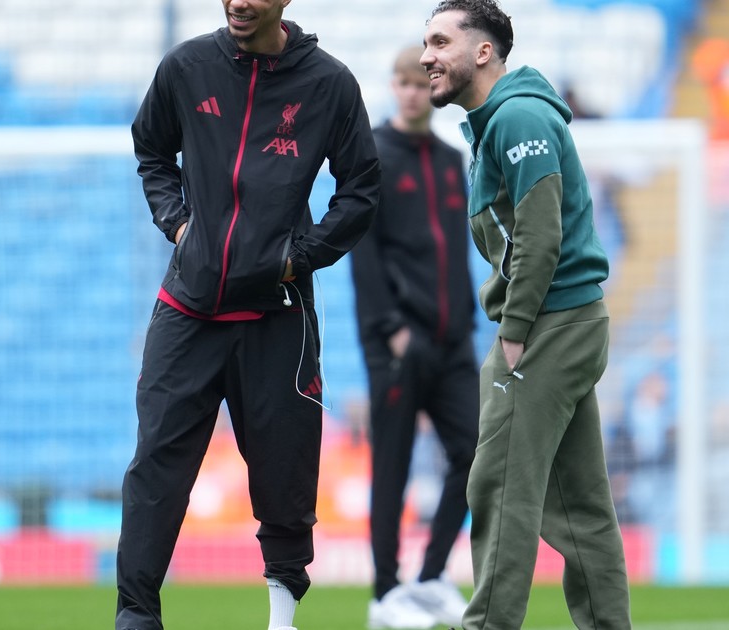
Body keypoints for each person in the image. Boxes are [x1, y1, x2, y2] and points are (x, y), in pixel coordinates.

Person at [116, 1, 381, 628]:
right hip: (188, 310)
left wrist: (298, 258)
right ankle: (136, 617)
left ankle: (281, 620)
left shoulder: (330, 83)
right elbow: (151, 150)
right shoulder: (186, 67)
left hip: (277, 314)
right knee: (156, 469)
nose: (237, 1)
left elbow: (360, 189)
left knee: (286, 475)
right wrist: (177, 224)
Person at [420, 1, 633, 627]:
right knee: (580, 508)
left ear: (483, 51)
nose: (427, 56)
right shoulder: (503, 119)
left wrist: (514, 334)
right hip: (569, 321)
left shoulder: (517, 117)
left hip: (547, 326)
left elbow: (541, 236)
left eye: (440, 42)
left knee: (500, 487)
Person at [349, 44, 476, 630]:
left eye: (421, 83)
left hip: (453, 343)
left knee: (478, 455)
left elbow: (456, 252)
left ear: (436, 89)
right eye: (403, 82)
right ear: (393, 87)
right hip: (397, 343)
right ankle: (384, 593)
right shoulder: (372, 155)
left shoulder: (451, 160)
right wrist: (390, 329)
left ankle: (428, 579)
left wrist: (467, 321)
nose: (412, 92)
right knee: (393, 467)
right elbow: (364, 252)